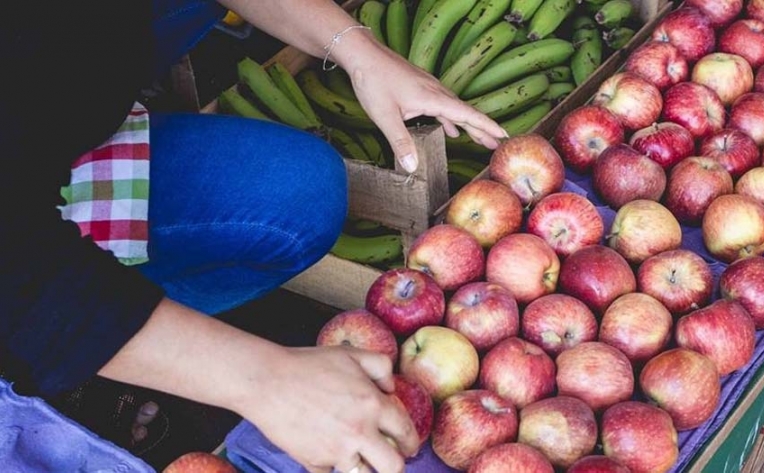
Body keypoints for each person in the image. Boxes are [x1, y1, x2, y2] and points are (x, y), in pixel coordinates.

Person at [0, 1, 506, 472]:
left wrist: (358, 51)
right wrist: (263, 380)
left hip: (55, 79)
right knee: (292, 200)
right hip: (20, 218)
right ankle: (69, 363)